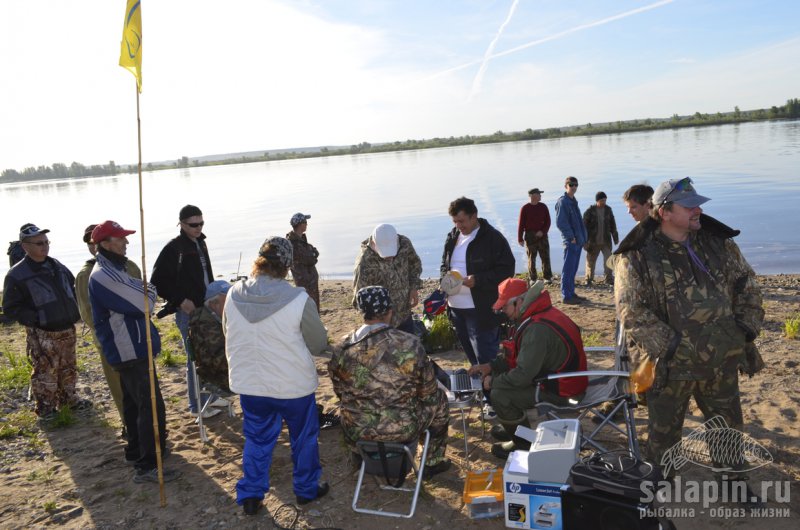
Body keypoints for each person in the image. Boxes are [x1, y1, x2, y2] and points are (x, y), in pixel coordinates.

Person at [613, 177, 764, 505]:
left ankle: (734, 485)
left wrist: (745, 327)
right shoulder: (637, 256)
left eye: (698, 203)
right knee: (664, 436)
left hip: (721, 360)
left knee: (727, 427)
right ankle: (660, 485)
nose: (699, 209)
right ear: (665, 212)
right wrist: (670, 347)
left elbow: (746, 282)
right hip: (670, 367)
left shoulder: (716, 243)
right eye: (690, 205)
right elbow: (631, 311)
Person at [224, 236, 329, 515]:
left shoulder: (234, 294)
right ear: (287, 265)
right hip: (292, 386)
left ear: (258, 262)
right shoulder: (298, 298)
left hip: (251, 384)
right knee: (303, 438)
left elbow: (228, 332)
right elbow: (318, 343)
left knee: (257, 439)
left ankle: (251, 494)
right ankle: (306, 490)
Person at [88, 220, 179, 483]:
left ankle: (137, 451)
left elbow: (142, 295)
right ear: (105, 244)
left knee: (134, 402)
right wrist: (146, 289)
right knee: (150, 406)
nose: (126, 243)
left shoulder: (115, 269)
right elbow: (146, 302)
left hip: (130, 346)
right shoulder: (104, 275)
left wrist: (142, 289)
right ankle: (148, 464)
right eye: (120, 239)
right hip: (128, 348)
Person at [330, 286, 451, 477]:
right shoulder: (409, 343)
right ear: (389, 311)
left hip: (357, 428)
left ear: (362, 312)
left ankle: (359, 456)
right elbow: (427, 392)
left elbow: (340, 390)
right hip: (402, 428)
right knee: (440, 400)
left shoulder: (342, 347)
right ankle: (431, 461)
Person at [469, 278, 587, 459]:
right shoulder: (539, 313)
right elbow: (517, 357)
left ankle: (523, 443)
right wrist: (490, 366)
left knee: (500, 395)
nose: (502, 312)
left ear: (519, 302)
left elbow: (522, 375)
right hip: (561, 379)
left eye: (504, 307)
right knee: (502, 380)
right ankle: (514, 427)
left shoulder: (536, 329)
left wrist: (493, 381)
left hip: (564, 392)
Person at [2, 223, 87, 418]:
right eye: (39, 243)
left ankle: (69, 400)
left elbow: (72, 287)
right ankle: (46, 409)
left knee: (69, 366)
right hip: (42, 332)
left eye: (46, 242)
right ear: (25, 246)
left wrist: (76, 310)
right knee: (44, 371)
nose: (45, 246)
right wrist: (36, 319)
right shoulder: (17, 275)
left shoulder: (56, 265)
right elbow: (10, 307)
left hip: (67, 327)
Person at [75, 223, 142, 428]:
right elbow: (88, 314)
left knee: (143, 386)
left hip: (138, 337)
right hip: (111, 342)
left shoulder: (129, 266)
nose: (93, 246)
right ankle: (130, 427)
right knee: (120, 387)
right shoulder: (86, 275)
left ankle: (147, 425)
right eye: (90, 243)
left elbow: (143, 297)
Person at [151, 204, 214, 417]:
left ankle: (209, 398)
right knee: (194, 357)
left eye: (201, 223)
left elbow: (206, 276)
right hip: (188, 311)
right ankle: (196, 406)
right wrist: (180, 301)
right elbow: (157, 282)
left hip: (207, 307)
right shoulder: (174, 248)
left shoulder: (200, 243)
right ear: (181, 224)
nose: (198, 228)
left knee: (209, 353)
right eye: (193, 224)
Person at [441, 197, 515, 367]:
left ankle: (492, 391)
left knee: (486, 360)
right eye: (455, 221)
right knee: (474, 361)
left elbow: (507, 271)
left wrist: (478, 280)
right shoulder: (452, 236)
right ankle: (481, 389)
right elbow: (444, 265)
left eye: (462, 221)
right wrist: (443, 281)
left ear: (474, 216)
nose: (458, 225)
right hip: (455, 309)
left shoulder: (493, 238)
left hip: (481, 310)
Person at [352, 223, 422, 334]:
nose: (390, 257)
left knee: (410, 348)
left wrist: (414, 287)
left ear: (396, 241)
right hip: (381, 324)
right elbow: (358, 299)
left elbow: (415, 265)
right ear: (374, 243)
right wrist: (375, 322)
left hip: (405, 313)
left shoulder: (404, 244)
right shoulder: (364, 262)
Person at [187, 280, 232, 394]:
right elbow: (220, 362)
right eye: (227, 301)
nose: (232, 304)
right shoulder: (206, 326)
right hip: (218, 377)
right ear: (213, 304)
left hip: (226, 371)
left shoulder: (214, 318)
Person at [555, 176, 588, 304]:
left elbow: (578, 222)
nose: (574, 187)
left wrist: (583, 238)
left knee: (573, 269)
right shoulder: (562, 202)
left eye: (576, 185)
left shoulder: (573, 200)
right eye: (571, 185)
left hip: (578, 241)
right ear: (566, 186)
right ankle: (566, 296)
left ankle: (571, 293)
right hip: (571, 241)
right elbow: (561, 223)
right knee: (568, 269)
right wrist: (571, 237)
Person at [582, 191, 619, 286]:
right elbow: (583, 227)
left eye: (605, 200)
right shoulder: (590, 211)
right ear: (597, 200)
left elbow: (612, 224)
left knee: (609, 260)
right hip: (593, 242)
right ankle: (589, 279)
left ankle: (609, 278)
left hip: (606, 241)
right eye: (602, 200)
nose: (604, 202)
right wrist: (584, 241)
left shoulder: (608, 210)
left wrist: (615, 238)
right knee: (590, 261)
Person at [517, 188, 552, 282]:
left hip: (542, 235)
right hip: (530, 236)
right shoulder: (525, 208)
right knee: (531, 258)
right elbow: (521, 224)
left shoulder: (543, 206)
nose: (540, 196)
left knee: (545, 257)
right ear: (533, 196)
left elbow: (548, 222)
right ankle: (533, 278)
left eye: (540, 194)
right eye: (539, 194)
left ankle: (547, 277)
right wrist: (520, 238)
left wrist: (543, 231)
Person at [286, 212, 321, 310]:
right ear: (300, 224)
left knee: (314, 308)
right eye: (305, 222)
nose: (307, 224)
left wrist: (312, 253)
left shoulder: (301, 240)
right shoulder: (293, 243)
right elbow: (310, 258)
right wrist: (312, 254)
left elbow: (314, 252)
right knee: (309, 309)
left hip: (310, 282)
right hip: (305, 284)